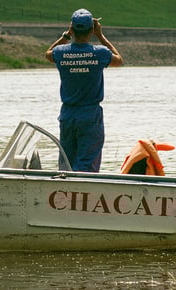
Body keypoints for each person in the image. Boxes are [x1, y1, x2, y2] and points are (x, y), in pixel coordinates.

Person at [45, 8, 123, 172]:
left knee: (67, 161)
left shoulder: (61, 53)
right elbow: (119, 60)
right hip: (89, 114)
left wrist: (65, 36)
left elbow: (48, 54)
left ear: (72, 29)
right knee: (87, 162)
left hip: (67, 114)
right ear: (91, 30)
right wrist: (101, 36)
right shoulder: (100, 53)